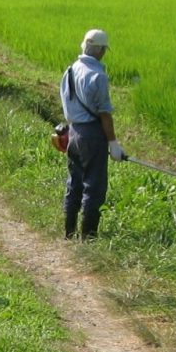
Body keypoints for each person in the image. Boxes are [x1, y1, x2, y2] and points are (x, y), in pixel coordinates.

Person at [60, 27, 124, 240]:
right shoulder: (98, 76)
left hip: (73, 132)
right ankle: (88, 238)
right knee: (93, 186)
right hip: (91, 136)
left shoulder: (71, 70)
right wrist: (113, 143)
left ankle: (68, 233)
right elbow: (105, 114)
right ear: (101, 51)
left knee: (74, 182)